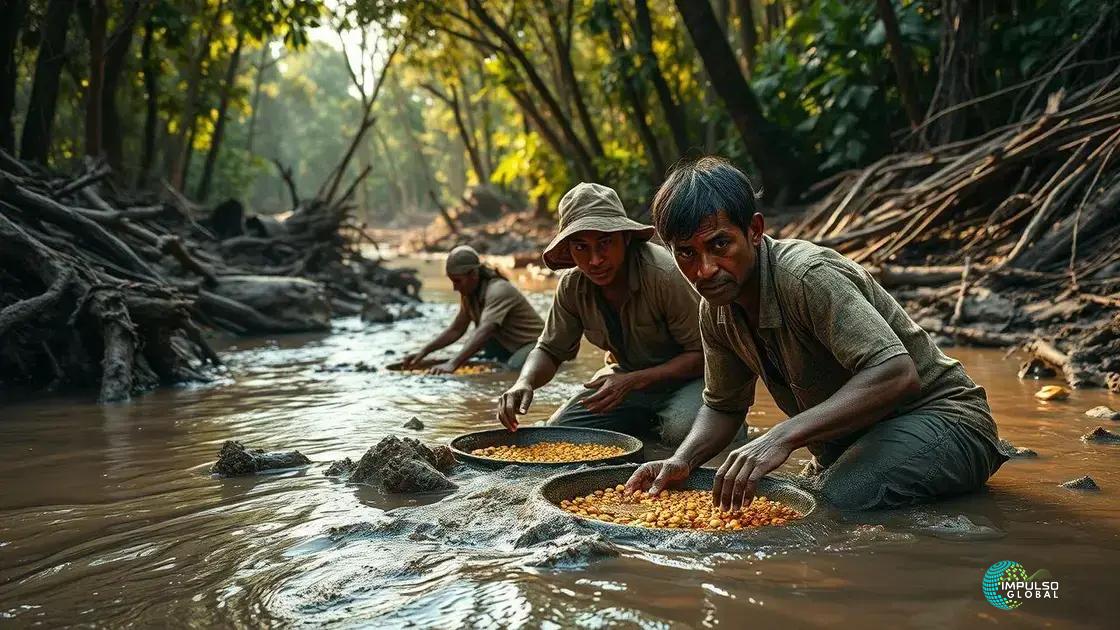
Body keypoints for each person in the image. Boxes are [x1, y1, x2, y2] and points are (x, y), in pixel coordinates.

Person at [625, 156, 1007, 511]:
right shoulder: (715, 310)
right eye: (687, 254)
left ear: (754, 231)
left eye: (719, 244)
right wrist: (682, 460)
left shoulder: (807, 276)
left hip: (949, 422)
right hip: (854, 442)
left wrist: (781, 436)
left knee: (830, 507)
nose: (705, 269)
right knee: (794, 503)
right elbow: (724, 406)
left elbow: (896, 373)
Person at [495, 183, 707, 446]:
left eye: (605, 243)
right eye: (581, 247)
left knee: (681, 434)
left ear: (626, 238)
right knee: (562, 434)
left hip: (689, 380)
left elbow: (704, 356)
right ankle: (640, 423)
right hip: (625, 378)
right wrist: (523, 383)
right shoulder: (573, 286)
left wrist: (633, 381)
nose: (595, 260)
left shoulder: (663, 274)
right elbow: (550, 350)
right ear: (570, 250)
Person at [401, 245, 543, 374]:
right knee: (482, 360)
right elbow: (456, 329)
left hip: (536, 345)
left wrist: (452, 364)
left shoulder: (498, 290)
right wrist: (424, 352)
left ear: (474, 274)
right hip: (509, 346)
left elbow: (486, 330)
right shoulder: (469, 294)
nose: (455, 288)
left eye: (457, 281)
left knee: (511, 369)